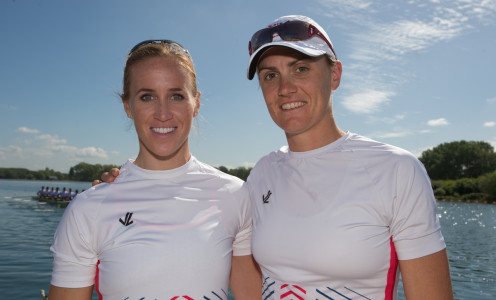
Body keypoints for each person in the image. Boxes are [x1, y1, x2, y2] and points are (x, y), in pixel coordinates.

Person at [245, 15, 453, 299]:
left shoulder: (396, 170)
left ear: (335, 75)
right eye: (270, 75)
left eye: (301, 69)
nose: (284, 88)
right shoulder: (262, 173)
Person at [49, 39, 261, 300]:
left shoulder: (235, 194)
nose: (163, 113)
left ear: (196, 103)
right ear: (128, 106)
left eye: (176, 96)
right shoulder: (88, 209)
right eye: (147, 97)